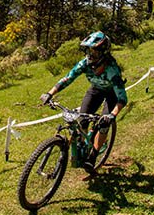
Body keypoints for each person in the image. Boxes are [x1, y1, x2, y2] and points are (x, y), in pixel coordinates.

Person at [40, 31, 127, 173]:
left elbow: (122, 98)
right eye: (89, 51)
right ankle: (82, 146)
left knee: (103, 125)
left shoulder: (112, 69)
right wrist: (50, 93)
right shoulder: (85, 64)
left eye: (95, 52)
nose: (91, 55)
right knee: (82, 120)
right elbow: (68, 78)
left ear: (103, 52)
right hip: (96, 90)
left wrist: (112, 115)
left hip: (112, 94)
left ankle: (93, 155)